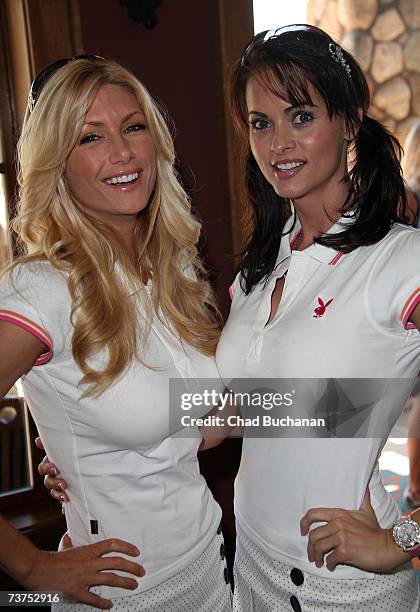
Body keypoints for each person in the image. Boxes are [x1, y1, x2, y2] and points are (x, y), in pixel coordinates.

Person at [0, 56, 232, 611]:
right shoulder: (41, 289)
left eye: (133, 127)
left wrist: (349, 406)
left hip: (210, 569)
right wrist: (30, 567)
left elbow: (208, 427)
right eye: (90, 137)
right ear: (57, 163)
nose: (123, 153)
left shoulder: (169, 268)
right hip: (122, 595)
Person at [214, 24, 420, 611]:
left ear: (351, 120)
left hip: (341, 588)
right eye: (261, 122)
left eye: (300, 116)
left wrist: (403, 539)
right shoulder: (264, 260)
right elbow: (257, 407)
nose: (278, 143)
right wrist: (101, 436)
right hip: (249, 567)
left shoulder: (401, 262)